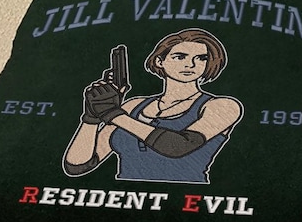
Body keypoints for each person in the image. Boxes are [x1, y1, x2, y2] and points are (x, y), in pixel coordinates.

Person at [62, 29, 243, 184]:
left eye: (201, 58)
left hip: (183, 199)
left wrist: (113, 114)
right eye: (180, 57)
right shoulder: (133, 106)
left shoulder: (222, 106)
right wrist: (92, 116)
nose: (190, 64)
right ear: (159, 61)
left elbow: (178, 146)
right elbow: (77, 166)